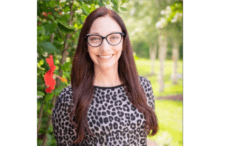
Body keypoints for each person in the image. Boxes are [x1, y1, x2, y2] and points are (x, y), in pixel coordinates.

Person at [52, 7, 158, 146]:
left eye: (113, 37)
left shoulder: (142, 87)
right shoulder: (69, 98)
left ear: (123, 41)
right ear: (86, 44)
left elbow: (141, 138)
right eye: (95, 38)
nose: (105, 48)